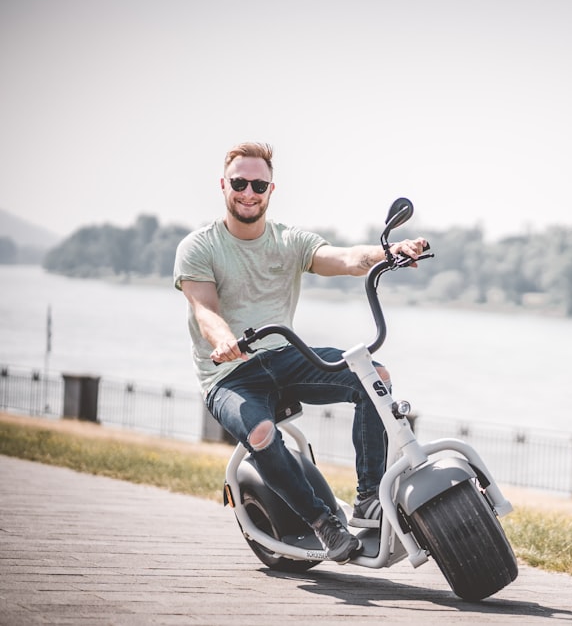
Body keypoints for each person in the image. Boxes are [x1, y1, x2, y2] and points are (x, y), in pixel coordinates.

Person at [173, 141, 427, 562]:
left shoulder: (289, 241)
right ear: (224, 185)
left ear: (272, 189)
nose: (249, 192)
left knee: (374, 377)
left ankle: (367, 500)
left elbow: (344, 257)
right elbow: (204, 309)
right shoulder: (200, 247)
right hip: (228, 375)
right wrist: (222, 340)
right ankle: (322, 523)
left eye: (259, 184)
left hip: (285, 357)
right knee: (260, 433)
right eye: (240, 182)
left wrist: (388, 252)